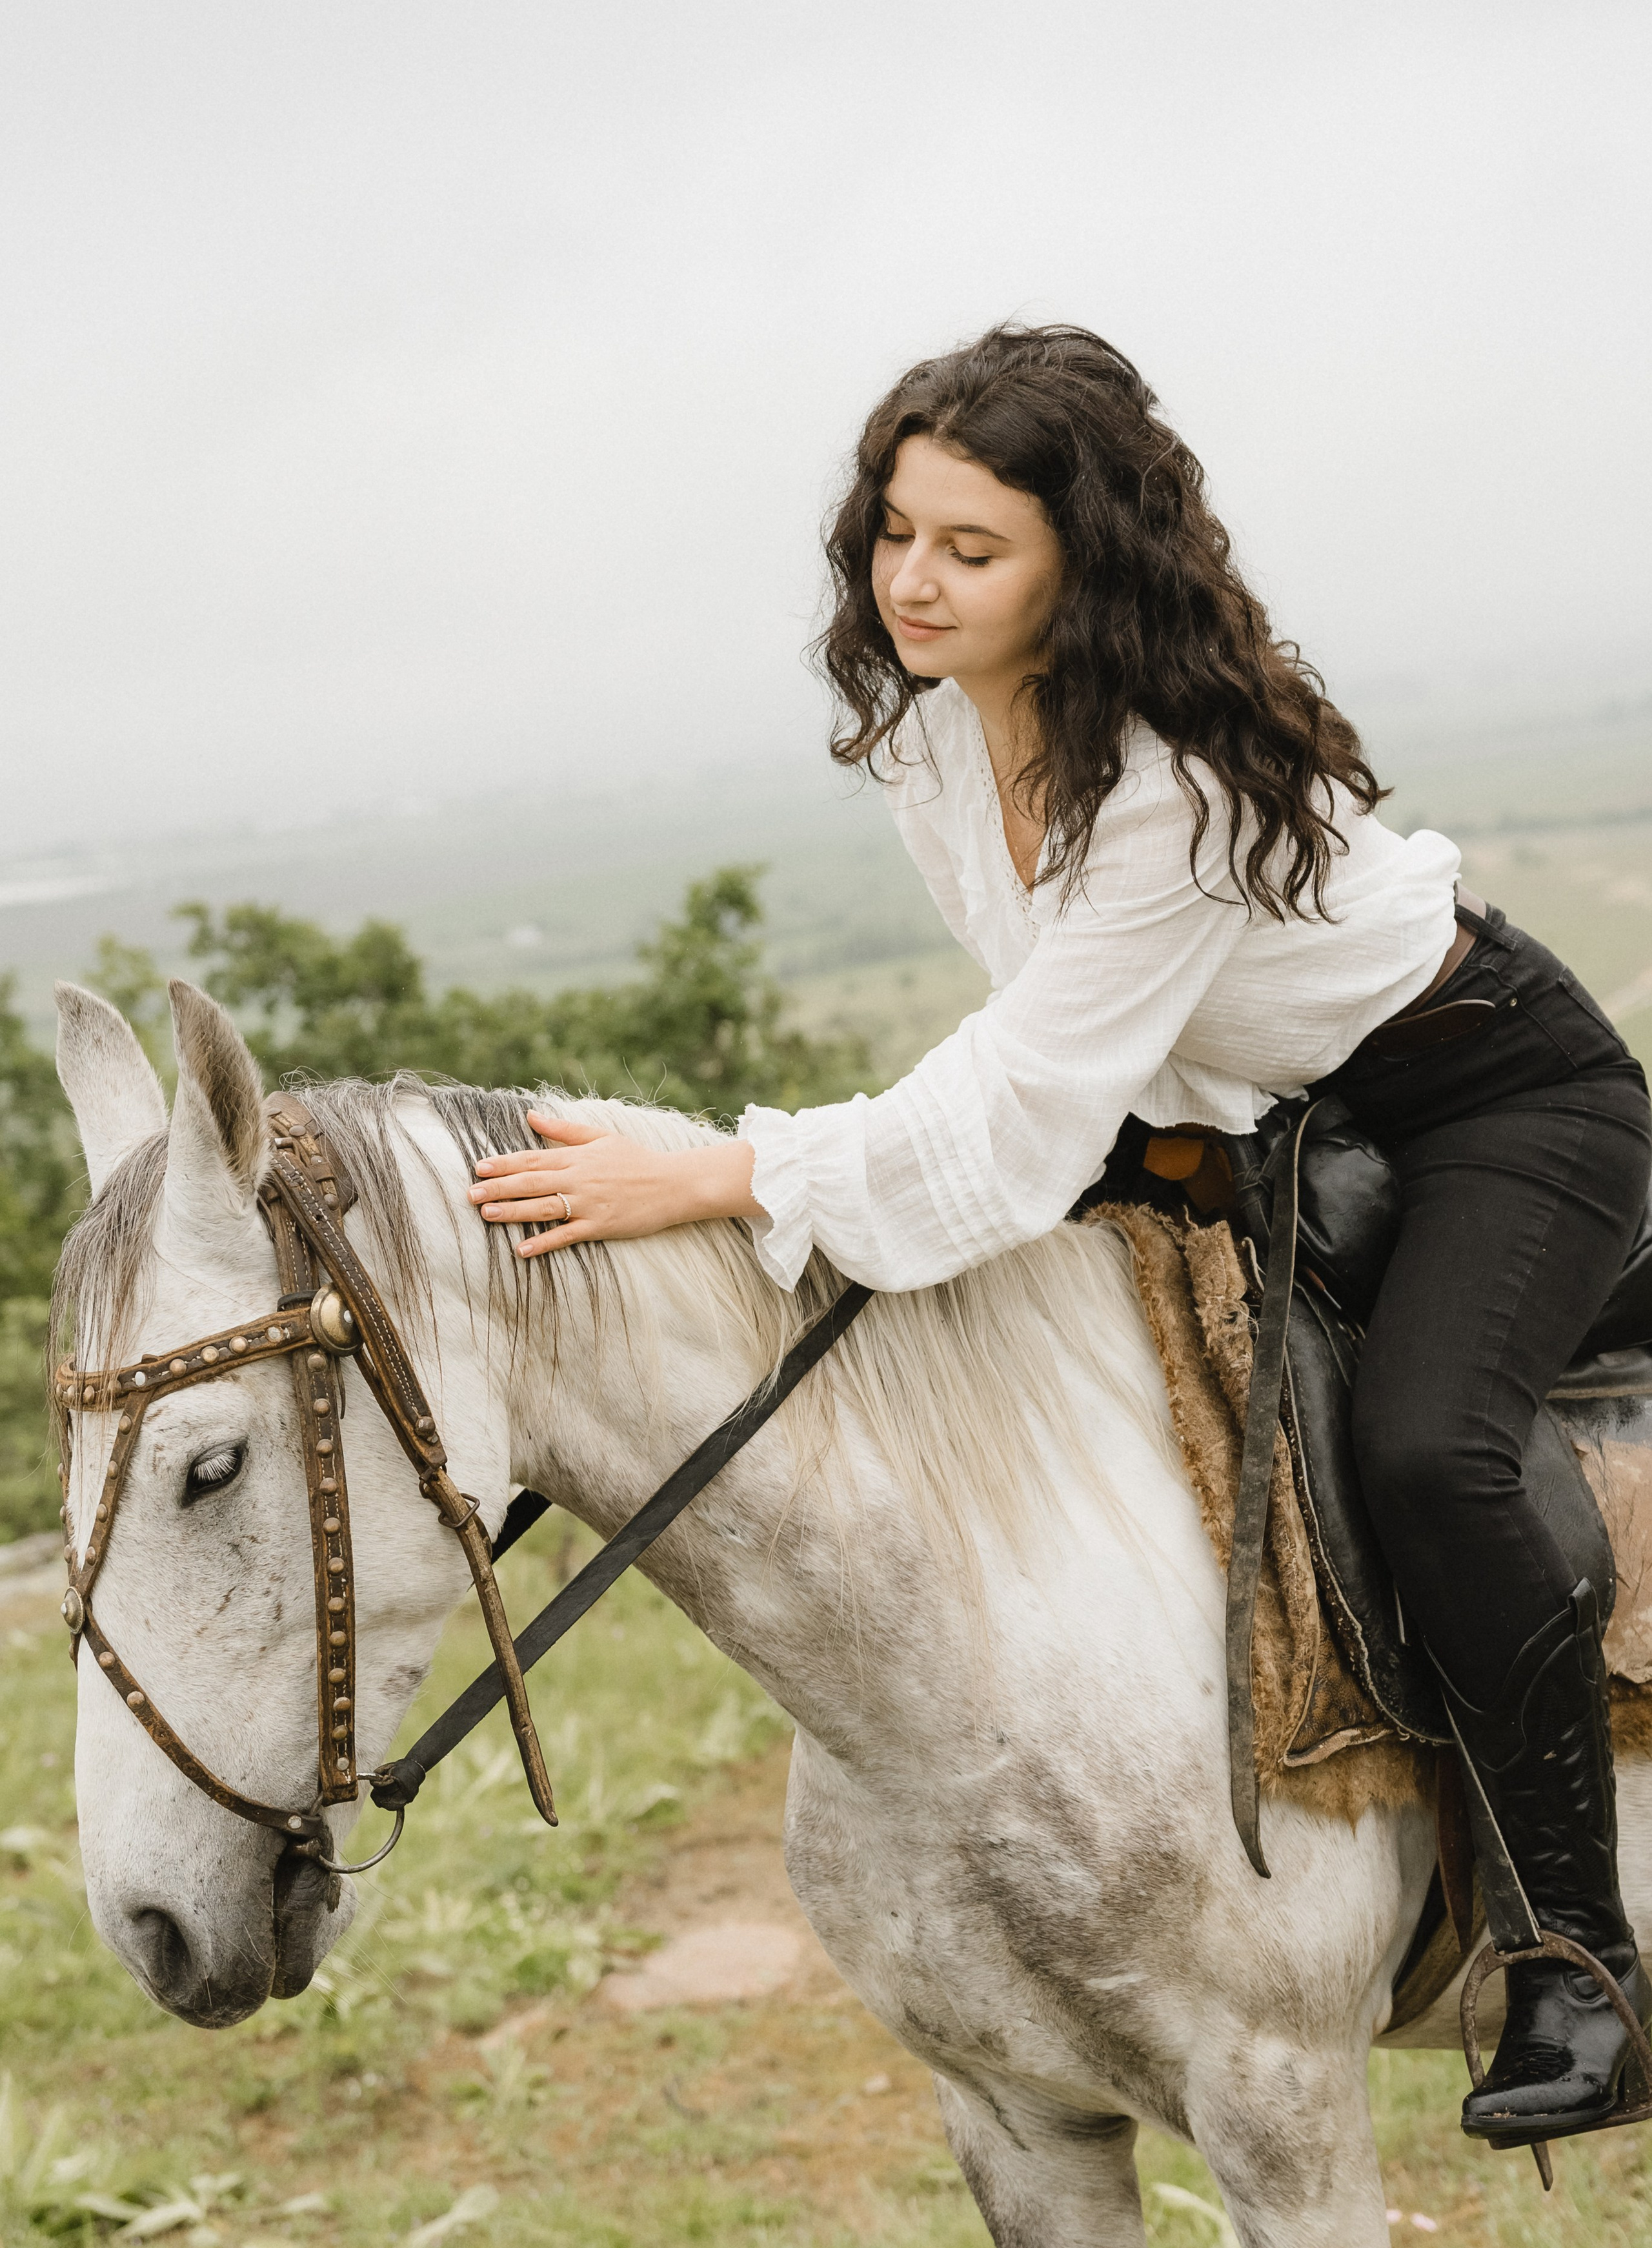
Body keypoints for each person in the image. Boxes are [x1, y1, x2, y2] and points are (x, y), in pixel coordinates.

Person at [467, 324, 1652, 2144]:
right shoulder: (940, 733)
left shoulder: (1164, 779)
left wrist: (721, 1170)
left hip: (1498, 1097)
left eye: (973, 547)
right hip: (1237, 1115)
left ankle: (1574, 1954)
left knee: (1430, 1448)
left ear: (1076, 565)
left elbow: (1017, 1100)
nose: (915, 582)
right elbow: (1056, 1053)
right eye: (895, 532)